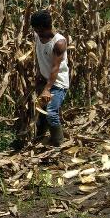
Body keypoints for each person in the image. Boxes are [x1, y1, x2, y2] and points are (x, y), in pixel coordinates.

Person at [31, 9, 69, 146]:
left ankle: (58, 143)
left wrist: (47, 89)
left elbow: (55, 68)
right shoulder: (38, 36)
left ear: (46, 27)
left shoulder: (59, 43)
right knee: (41, 112)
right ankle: (39, 139)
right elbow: (40, 56)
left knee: (51, 112)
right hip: (45, 80)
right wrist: (38, 74)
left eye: (39, 30)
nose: (37, 33)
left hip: (58, 83)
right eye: (35, 30)